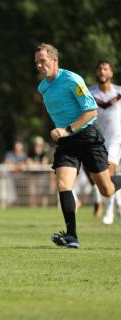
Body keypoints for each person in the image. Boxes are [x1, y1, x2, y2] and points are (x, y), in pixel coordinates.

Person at [35, 43, 121, 248]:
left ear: (55, 61)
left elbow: (92, 111)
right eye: (36, 62)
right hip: (67, 142)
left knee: (107, 191)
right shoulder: (42, 87)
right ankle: (72, 236)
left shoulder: (72, 80)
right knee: (64, 185)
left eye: (43, 61)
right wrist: (62, 133)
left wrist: (67, 130)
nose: (39, 65)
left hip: (88, 137)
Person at [88, 60, 121, 224]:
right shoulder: (89, 93)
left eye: (105, 69)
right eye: (99, 68)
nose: (102, 71)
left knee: (108, 174)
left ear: (111, 73)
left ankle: (109, 211)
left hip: (115, 139)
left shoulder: (120, 92)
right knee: (101, 178)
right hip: (96, 140)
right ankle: (119, 204)